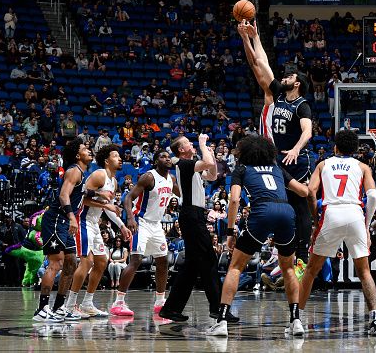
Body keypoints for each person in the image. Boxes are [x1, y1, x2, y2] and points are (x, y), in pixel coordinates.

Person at [206, 135, 309, 337]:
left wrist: (229, 231)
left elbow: (234, 200)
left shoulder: (242, 169)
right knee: (288, 268)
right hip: (286, 212)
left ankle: (222, 322)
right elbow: (304, 192)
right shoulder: (278, 169)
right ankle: (296, 321)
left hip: (262, 211)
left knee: (235, 266)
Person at [238, 20, 313, 261]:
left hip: (295, 159)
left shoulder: (302, 105)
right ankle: (276, 254)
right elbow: (260, 63)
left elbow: (308, 132)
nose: (285, 77)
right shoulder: (276, 95)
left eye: (290, 75)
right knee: (275, 203)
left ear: (297, 83)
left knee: (300, 202)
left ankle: (301, 254)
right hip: (273, 158)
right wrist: (253, 37)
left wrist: (296, 148)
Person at [299, 130, 376, 336]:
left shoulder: (323, 164)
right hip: (355, 214)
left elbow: (310, 192)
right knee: (364, 272)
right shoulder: (363, 166)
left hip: (331, 213)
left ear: (335, 147)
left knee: (311, 270)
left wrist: (315, 218)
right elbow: (372, 197)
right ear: (355, 150)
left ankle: (297, 319)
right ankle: (375, 320)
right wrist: (366, 224)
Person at [159, 134, 238, 323]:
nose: (191, 143)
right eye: (187, 142)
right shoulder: (182, 163)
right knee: (209, 260)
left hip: (194, 215)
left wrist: (207, 152)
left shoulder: (190, 166)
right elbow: (208, 163)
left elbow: (212, 173)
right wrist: (203, 145)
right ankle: (218, 308)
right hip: (191, 215)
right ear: (180, 149)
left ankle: (171, 309)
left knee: (193, 266)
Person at [65, 144, 131, 318]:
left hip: (95, 223)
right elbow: (82, 199)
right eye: (116, 156)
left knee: (102, 262)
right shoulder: (99, 174)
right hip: (83, 220)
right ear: (106, 160)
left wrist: (122, 225)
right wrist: (104, 203)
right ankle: (69, 305)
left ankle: (87, 303)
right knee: (86, 263)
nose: (120, 158)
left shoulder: (114, 181)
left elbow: (108, 209)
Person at [110, 150, 178, 317]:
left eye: (169, 156)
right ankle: (118, 302)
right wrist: (131, 218)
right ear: (156, 161)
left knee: (163, 260)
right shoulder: (149, 177)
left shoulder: (172, 179)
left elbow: (182, 194)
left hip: (156, 225)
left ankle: (160, 301)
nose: (167, 158)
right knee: (136, 260)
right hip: (142, 222)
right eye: (163, 156)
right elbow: (128, 198)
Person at [33, 138, 93, 322]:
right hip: (57, 219)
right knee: (56, 263)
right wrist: (72, 217)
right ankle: (42, 310)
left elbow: (81, 193)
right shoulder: (74, 170)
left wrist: (102, 197)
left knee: (70, 263)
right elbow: (63, 195)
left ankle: (59, 308)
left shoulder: (81, 173)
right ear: (77, 155)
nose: (89, 150)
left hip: (65, 222)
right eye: (85, 148)